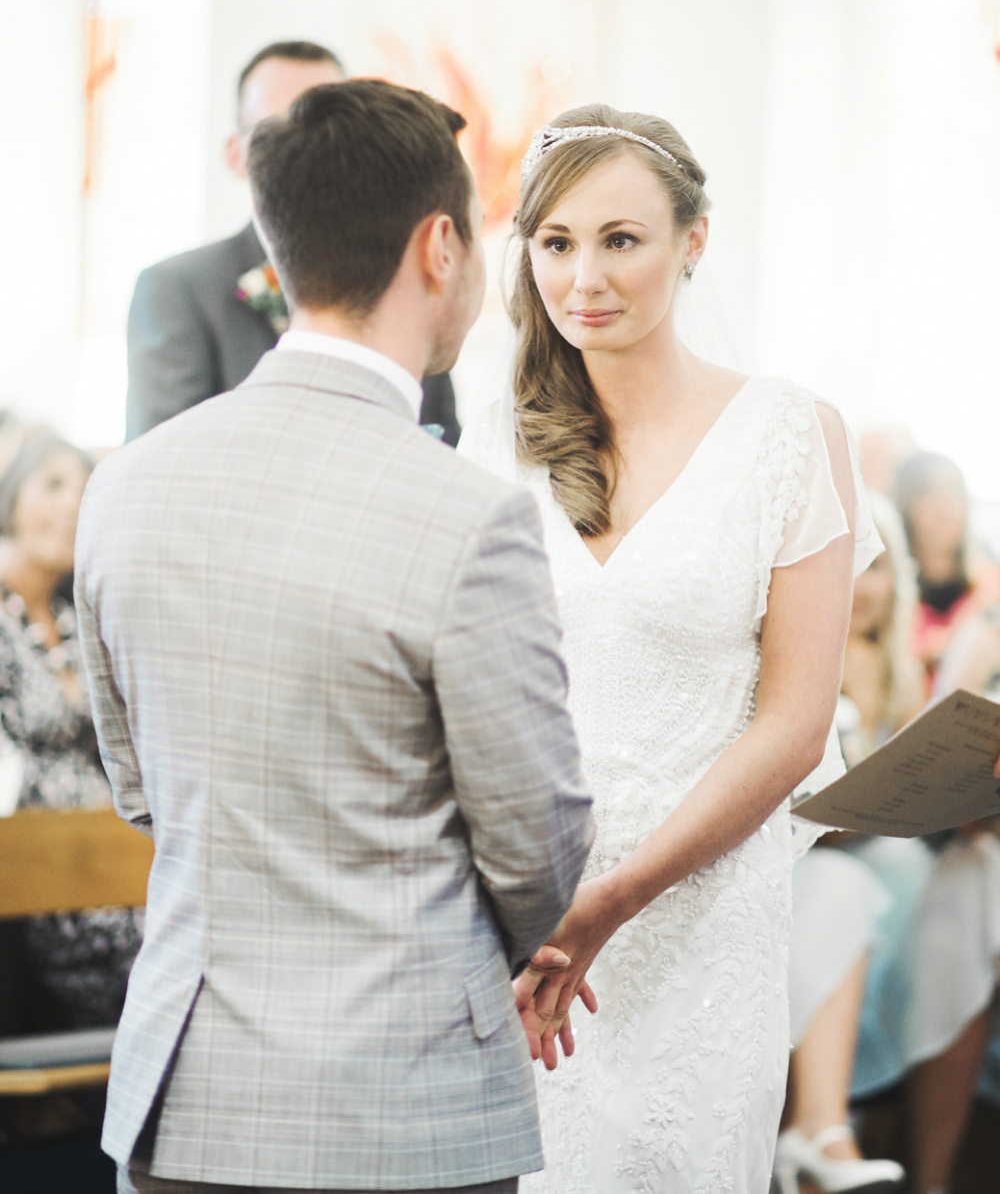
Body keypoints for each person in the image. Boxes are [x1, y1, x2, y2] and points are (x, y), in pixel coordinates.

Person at [76, 79, 594, 1194]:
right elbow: (534, 842)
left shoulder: (126, 489)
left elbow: (141, 788)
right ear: (440, 245)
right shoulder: (465, 513)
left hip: (186, 1099)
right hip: (399, 1110)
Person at [459, 103, 880, 1192]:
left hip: (700, 910)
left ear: (693, 242)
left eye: (620, 239)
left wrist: (613, 898)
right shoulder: (498, 441)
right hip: (528, 905)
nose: (582, 277)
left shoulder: (792, 435)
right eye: (555, 243)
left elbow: (793, 725)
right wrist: (534, 897)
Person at [124, 40, 463, 446]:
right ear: (236, 155)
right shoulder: (178, 289)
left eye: (333, 132)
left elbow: (444, 444)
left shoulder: (407, 276)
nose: (310, 151)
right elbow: (163, 460)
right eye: (278, 130)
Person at [777, 493, 922, 1194]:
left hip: (877, 853)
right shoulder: (796, 653)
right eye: (854, 565)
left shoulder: (898, 673)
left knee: (936, 871)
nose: (864, 586)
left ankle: (828, 1128)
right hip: (801, 855)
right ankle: (823, 1125)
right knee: (862, 883)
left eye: (879, 570)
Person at [0, 430, 141, 1027]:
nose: (69, 505)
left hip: (113, 859)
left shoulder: (73, 614)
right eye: (52, 484)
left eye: (84, 491)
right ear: (11, 496)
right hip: (35, 878)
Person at [891, 450, 1000, 688]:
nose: (944, 504)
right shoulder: (887, 591)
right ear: (906, 504)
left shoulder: (991, 583)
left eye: (952, 491)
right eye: (928, 492)